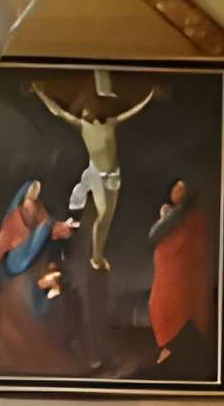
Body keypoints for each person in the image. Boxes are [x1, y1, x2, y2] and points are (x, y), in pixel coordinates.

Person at [29, 69, 159, 264]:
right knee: (103, 213)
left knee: (107, 220)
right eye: (84, 107)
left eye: (90, 106)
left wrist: (149, 97)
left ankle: (98, 254)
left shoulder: (110, 123)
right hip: (97, 174)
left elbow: (133, 112)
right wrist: (40, 94)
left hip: (114, 174)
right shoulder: (82, 125)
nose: (87, 109)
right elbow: (58, 111)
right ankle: (96, 256)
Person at [0, 178, 83, 377]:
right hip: (20, 265)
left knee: (58, 293)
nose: (33, 199)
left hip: (40, 267)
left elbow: (48, 227)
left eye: (36, 192)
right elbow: (13, 238)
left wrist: (63, 228)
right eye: (32, 191)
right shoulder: (15, 216)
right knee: (29, 298)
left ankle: (63, 338)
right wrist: (45, 229)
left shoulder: (37, 206)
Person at [145, 176, 213, 369]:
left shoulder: (191, 215)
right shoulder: (171, 213)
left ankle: (174, 348)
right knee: (157, 304)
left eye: (182, 188)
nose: (178, 191)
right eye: (176, 187)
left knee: (177, 306)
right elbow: (155, 235)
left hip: (182, 273)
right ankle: (168, 345)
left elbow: (194, 243)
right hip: (167, 270)